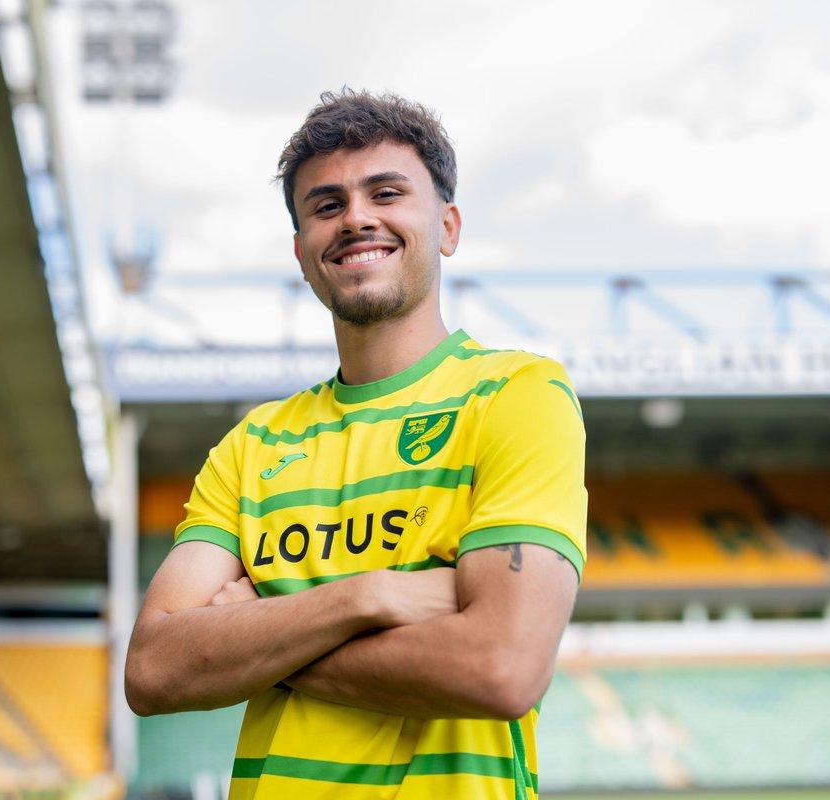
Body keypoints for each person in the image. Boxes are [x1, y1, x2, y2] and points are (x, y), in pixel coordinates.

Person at [125, 89, 587, 799]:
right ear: (303, 253)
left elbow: (502, 666)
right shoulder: (253, 445)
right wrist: (367, 597)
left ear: (448, 227)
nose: (356, 218)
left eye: (386, 192)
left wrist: (258, 634)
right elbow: (153, 671)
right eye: (326, 205)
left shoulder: (517, 396)